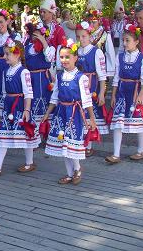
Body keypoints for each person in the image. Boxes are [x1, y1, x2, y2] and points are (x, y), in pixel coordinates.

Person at [41, 39, 96, 185]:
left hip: (74, 114)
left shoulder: (81, 77)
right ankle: (69, 173)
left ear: (75, 58)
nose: (64, 60)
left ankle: (77, 169)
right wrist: (47, 113)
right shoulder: (59, 76)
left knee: (71, 143)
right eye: (61, 57)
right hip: (61, 113)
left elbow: (87, 100)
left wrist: (92, 118)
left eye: (67, 57)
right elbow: (54, 96)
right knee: (62, 143)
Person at [0, 39, 36, 176]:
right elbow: (4, 92)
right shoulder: (6, 71)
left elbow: (28, 93)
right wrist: (0, 110)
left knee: (25, 134)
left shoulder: (24, 72)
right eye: (5, 54)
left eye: (8, 54)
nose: (5, 57)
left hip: (20, 106)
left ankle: (29, 162)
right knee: (3, 135)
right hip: (8, 106)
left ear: (17, 54)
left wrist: (27, 110)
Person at [106, 24, 143, 163]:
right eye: (123, 40)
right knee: (118, 122)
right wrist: (113, 95)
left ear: (136, 42)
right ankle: (116, 154)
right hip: (122, 92)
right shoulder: (120, 57)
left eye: (127, 40)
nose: (124, 43)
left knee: (139, 122)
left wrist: (141, 94)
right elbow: (116, 77)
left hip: (136, 92)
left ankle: (140, 150)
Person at [76, 21, 107, 157]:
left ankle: (89, 143)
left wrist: (101, 93)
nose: (81, 39)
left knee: (90, 114)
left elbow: (102, 76)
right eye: (79, 37)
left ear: (89, 36)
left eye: (83, 36)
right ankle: (81, 140)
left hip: (91, 86)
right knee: (81, 113)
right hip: (79, 86)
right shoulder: (76, 51)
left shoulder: (96, 51)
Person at [23, 22, 56, 134]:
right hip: (31, 79)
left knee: (46, 103)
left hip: (44, 80)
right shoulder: (27, 47)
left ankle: (47, 131)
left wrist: (43, 41)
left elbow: (50, 58)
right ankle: (34, 132)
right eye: (34, 35)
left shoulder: (49, 48)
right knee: (32, 104)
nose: (35, 37)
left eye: (39, 35)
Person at [0, 9, 21, 115]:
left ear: (7, 21)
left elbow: (20, 56)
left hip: (10, 69)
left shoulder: (15, 37)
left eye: (1, 22)